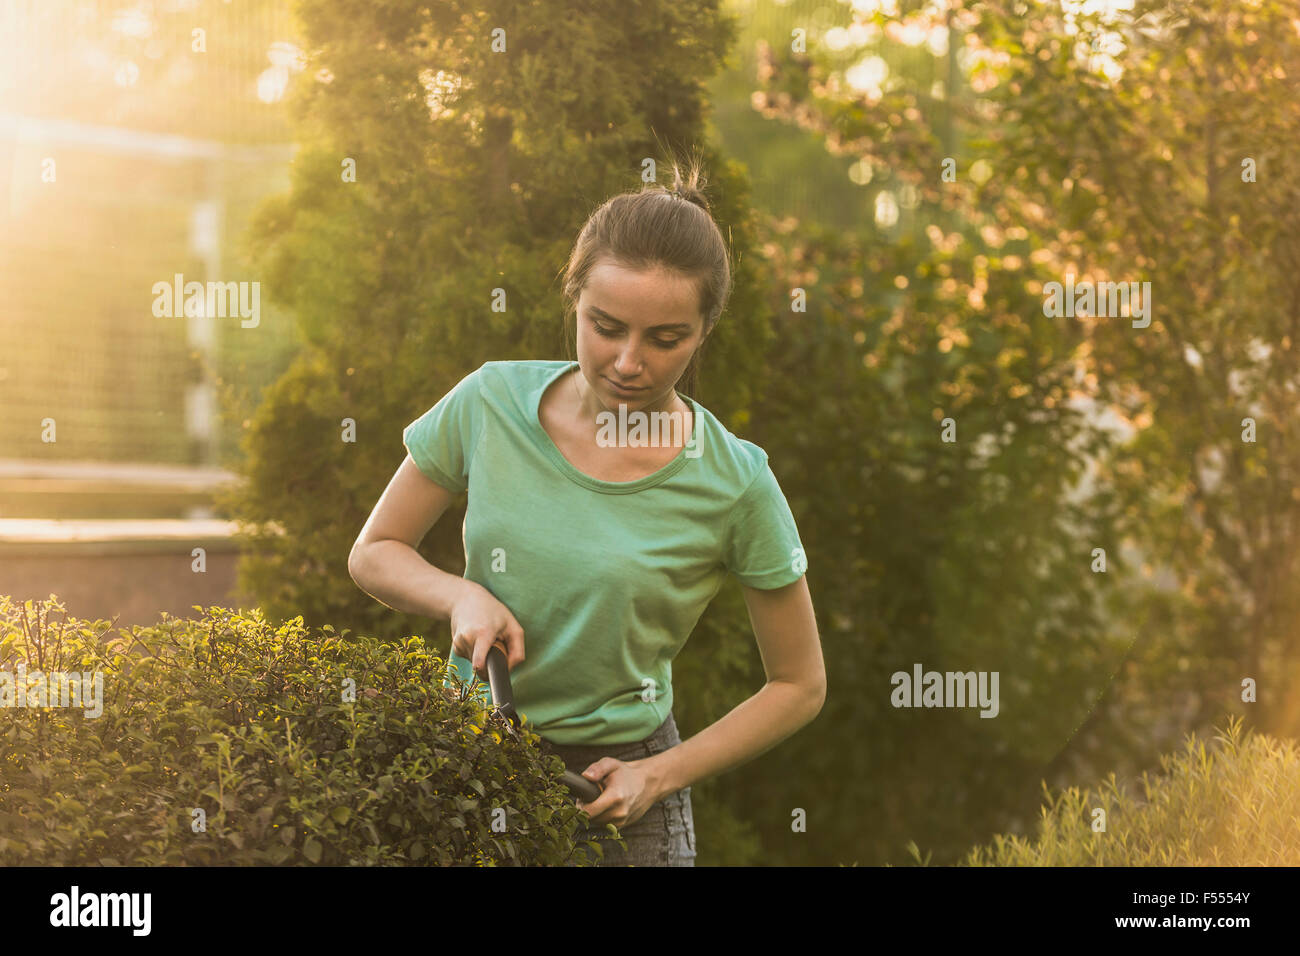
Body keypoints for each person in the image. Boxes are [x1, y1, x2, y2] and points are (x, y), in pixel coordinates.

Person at [348, 157, 825, 866]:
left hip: (620, 804)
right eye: (606, 326)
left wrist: (656, 776)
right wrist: (461, 596)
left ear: (704, 331)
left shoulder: (736, 481)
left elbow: (799, 684)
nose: (630, 362)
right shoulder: (489, 404)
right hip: (464, 768)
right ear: (573, 298)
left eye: (666, 339)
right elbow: (375, 549)